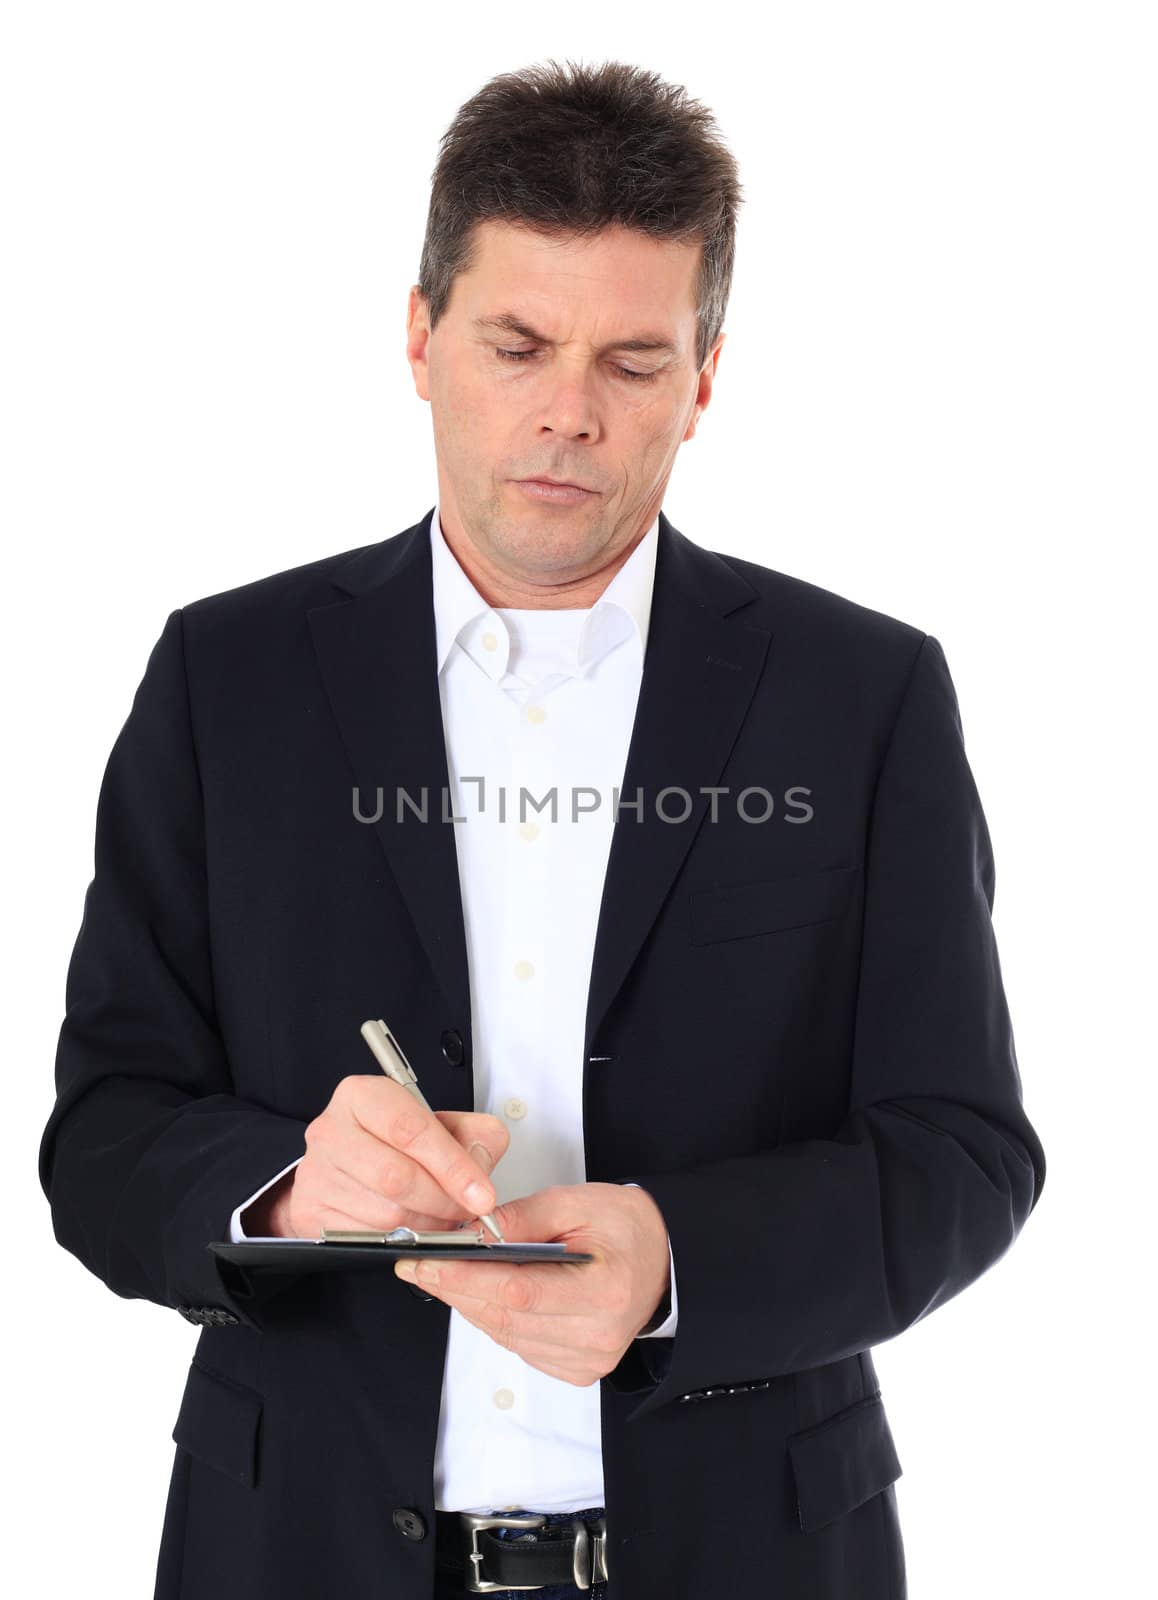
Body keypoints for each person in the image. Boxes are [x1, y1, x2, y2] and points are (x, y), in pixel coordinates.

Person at [39, 57, 1046, 1600]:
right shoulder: (221, 678)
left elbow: (961, 1153)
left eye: (633, 361)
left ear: (705, 380)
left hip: (746, 1558)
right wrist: (285, 1192)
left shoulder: (864, 694)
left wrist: (676, 1264)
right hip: (293, 1554)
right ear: (420, 337)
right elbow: (103, 1141)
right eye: (516, 343)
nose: (568, 414)